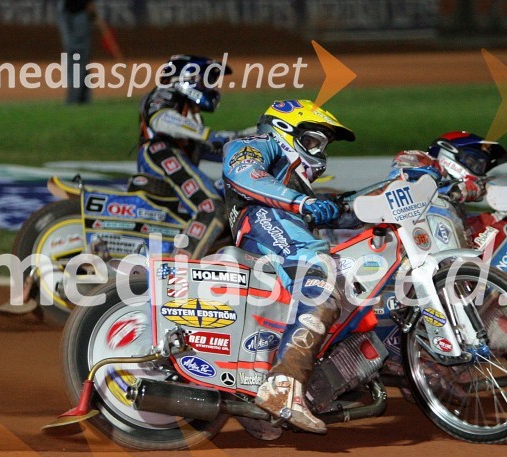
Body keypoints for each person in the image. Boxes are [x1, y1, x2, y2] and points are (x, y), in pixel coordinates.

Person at [223, 99, 355, 434]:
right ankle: (283, 385)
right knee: (321, 285)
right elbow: (243, 174)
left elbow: (344, 210)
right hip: (263, 220)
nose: (319, 153)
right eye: (312, 141)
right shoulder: (255, 144)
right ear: (284, 131)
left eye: (323, 146)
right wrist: (304, 202)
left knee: (353, 279)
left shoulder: (294, 185)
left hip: (280, 222)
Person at [137, 54, 235, 258]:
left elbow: (220, 146)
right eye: (208, 80)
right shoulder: (165, 92)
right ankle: (179, 267)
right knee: (212, 208)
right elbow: (160, 118)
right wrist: (206, 134)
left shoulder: (191, 116)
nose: (213, 88)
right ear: (188, 79)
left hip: (167, 160)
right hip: (160, 153)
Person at [57, 0, 95, 104]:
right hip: (66, 10)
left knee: (78, 55)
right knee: (76, 56)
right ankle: (83, 97)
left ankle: (74, 98)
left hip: (80, 11)